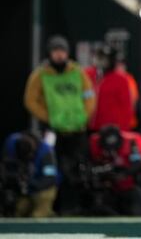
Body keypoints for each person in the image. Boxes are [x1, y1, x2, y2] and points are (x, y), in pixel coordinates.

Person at [24, 35, 95, 213]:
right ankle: (55, 207)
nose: (59, 55)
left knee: (79, 168)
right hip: (53, 130)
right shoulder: (41, 74)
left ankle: (79, 207)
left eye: (62, 51)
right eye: (56, 51)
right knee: (54, 168)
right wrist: (49, 117)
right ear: (50, 53)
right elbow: (30, 100)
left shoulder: (78, 72)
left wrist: (83, 117)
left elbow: (89, 96)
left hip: (77, 129)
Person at [87, 125, 141, 215]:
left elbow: (138, 163)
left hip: (128, 186)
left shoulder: (132, 142)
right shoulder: (93, 143)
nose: (111, 153)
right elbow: (88, 167)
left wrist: (123, 174)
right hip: (106, 189)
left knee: (136, 200)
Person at [1, 131, 58, 217]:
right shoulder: (11, 143)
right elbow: (4, 165)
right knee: (18, 211)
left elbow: (50, 179)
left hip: (42, 188)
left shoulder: (46, 152)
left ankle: (47, 212)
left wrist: (30, 184)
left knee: (37, 216)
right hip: (24, 189)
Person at [89, 46, 134, 132]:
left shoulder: (121, 80)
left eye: (105, 59)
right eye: (100, 58)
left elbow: (127, 108)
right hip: (92, 127)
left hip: (113, 129)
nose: (101, 62)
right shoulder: (89, 75)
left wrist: (123, 129)